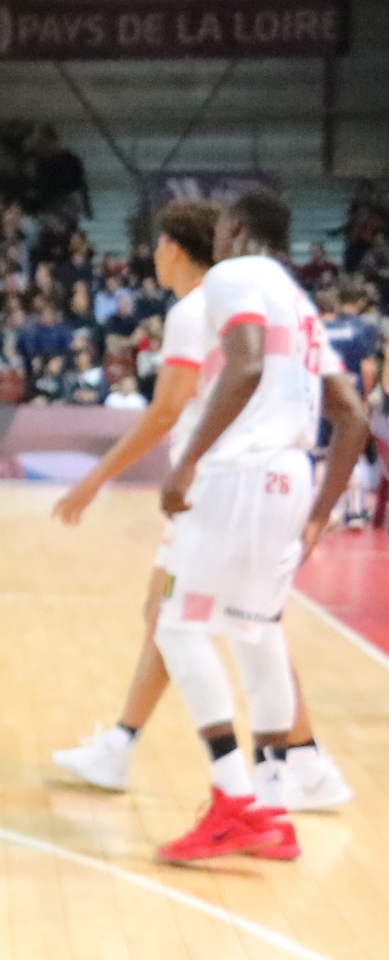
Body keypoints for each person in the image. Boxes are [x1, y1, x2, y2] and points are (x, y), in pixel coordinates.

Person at [48, 203, 348, 809]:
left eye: (158, 244)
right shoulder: (272, 297)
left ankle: (281, 772)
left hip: (226, 482)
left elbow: (167, 409)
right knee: (208, 618)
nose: (152, 255)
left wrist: (98, 478)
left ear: (178, 250)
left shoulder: (198, 307)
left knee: (207, 623)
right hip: (265, 478)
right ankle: (128, 745)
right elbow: (348, 411)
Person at [148, 191, 373, 864]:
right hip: (290, 476)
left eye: (219, 227)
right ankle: (272, 809)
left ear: (236, 230)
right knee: (254, 631)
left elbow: (243, 361)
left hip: (239, 475)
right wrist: (320, 512)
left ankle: (232, 801)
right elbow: (352, 417)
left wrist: (187, 462)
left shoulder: (234, 277)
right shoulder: (301, 303)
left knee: (175, 624)